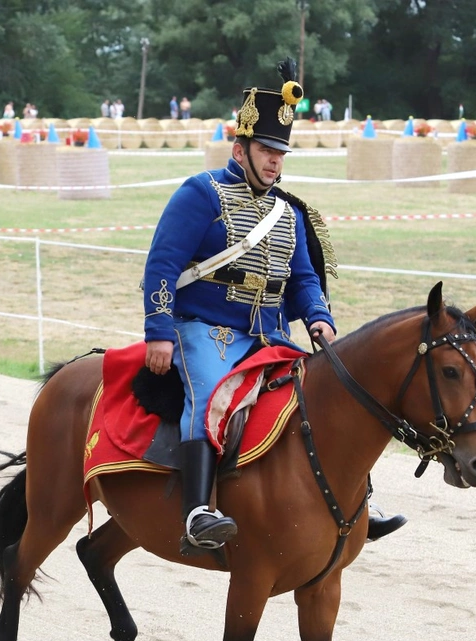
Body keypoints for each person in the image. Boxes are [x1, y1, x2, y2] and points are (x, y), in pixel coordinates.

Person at [141, 58, 404, 551]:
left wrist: (320, 321)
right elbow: (161, 265)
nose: (274, 161)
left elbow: (303, 279)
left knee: (328, 401)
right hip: (203, 328)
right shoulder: (201, 194)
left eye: (281, 152)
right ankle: (198, 510)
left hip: (268, 336)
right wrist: (158, 331)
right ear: (239, 148)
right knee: (208, 398)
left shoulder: (289, 212)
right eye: (265, 149)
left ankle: (362, 499)